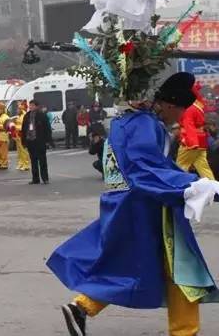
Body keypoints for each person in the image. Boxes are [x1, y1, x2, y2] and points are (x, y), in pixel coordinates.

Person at [48, 72, 219, 336]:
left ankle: (82, 307)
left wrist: (191, 183)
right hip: (147, 206)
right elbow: (144, 168)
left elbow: (150, 166)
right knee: (181, 268)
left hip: (129, 203)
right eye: (181, 111)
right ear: (171, 105)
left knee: (126, 263)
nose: (180, 118)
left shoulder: (128, 121)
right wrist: (191, 186)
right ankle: (185, 331)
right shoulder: (144, 124)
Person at [177, 83, 215, 180]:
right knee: (203, 168)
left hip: (190, 141)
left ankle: (178, 186)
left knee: (180, 166)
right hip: (201, 140)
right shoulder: (198, 105)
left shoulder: (189, 109)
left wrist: (192, 143)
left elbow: (189, 126)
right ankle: (214, 187)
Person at [22, 100, 52, 185]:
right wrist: (24, 141)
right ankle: (35, 179)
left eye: (32, 105)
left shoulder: (42, 115)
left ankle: (45, 178)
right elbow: (23, 129)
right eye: (30, 105)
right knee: (33, 161)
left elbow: (47, 129)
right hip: (30, 141)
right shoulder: (27, 116)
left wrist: (47, 141)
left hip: (40, 141)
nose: (30, 107)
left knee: (42, 161)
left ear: (36, 106)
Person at [14, 101, 31, 172]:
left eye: (18, 109)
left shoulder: (25, 115)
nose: (17, 110)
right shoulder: (18, 116)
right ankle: (21, 163)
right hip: (18, 135)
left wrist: (15, 126)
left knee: (24, 151)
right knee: (19, 151)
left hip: (22, 135)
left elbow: (24, 126)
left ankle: (26, 164)